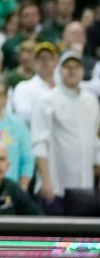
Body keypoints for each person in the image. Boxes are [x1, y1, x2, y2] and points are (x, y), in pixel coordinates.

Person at [31, 51, 100, 215]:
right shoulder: (47, 100)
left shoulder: (91, 101)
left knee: (83, 237)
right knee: (56, 237)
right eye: (67, 67)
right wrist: (46, 181)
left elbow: (94, 140)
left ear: (83, 71)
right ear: (59, 70)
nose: (72, 71)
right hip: (56, 185)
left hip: (85, 187)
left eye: (76, 67)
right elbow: (40, 143)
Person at [11, 41, 58, 126]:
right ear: (35, 62)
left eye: (48, 58)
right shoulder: (24, 87)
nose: (44, 62)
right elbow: (24, 115)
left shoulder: (63, 87)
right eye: (40, 58)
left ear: (55, 61)